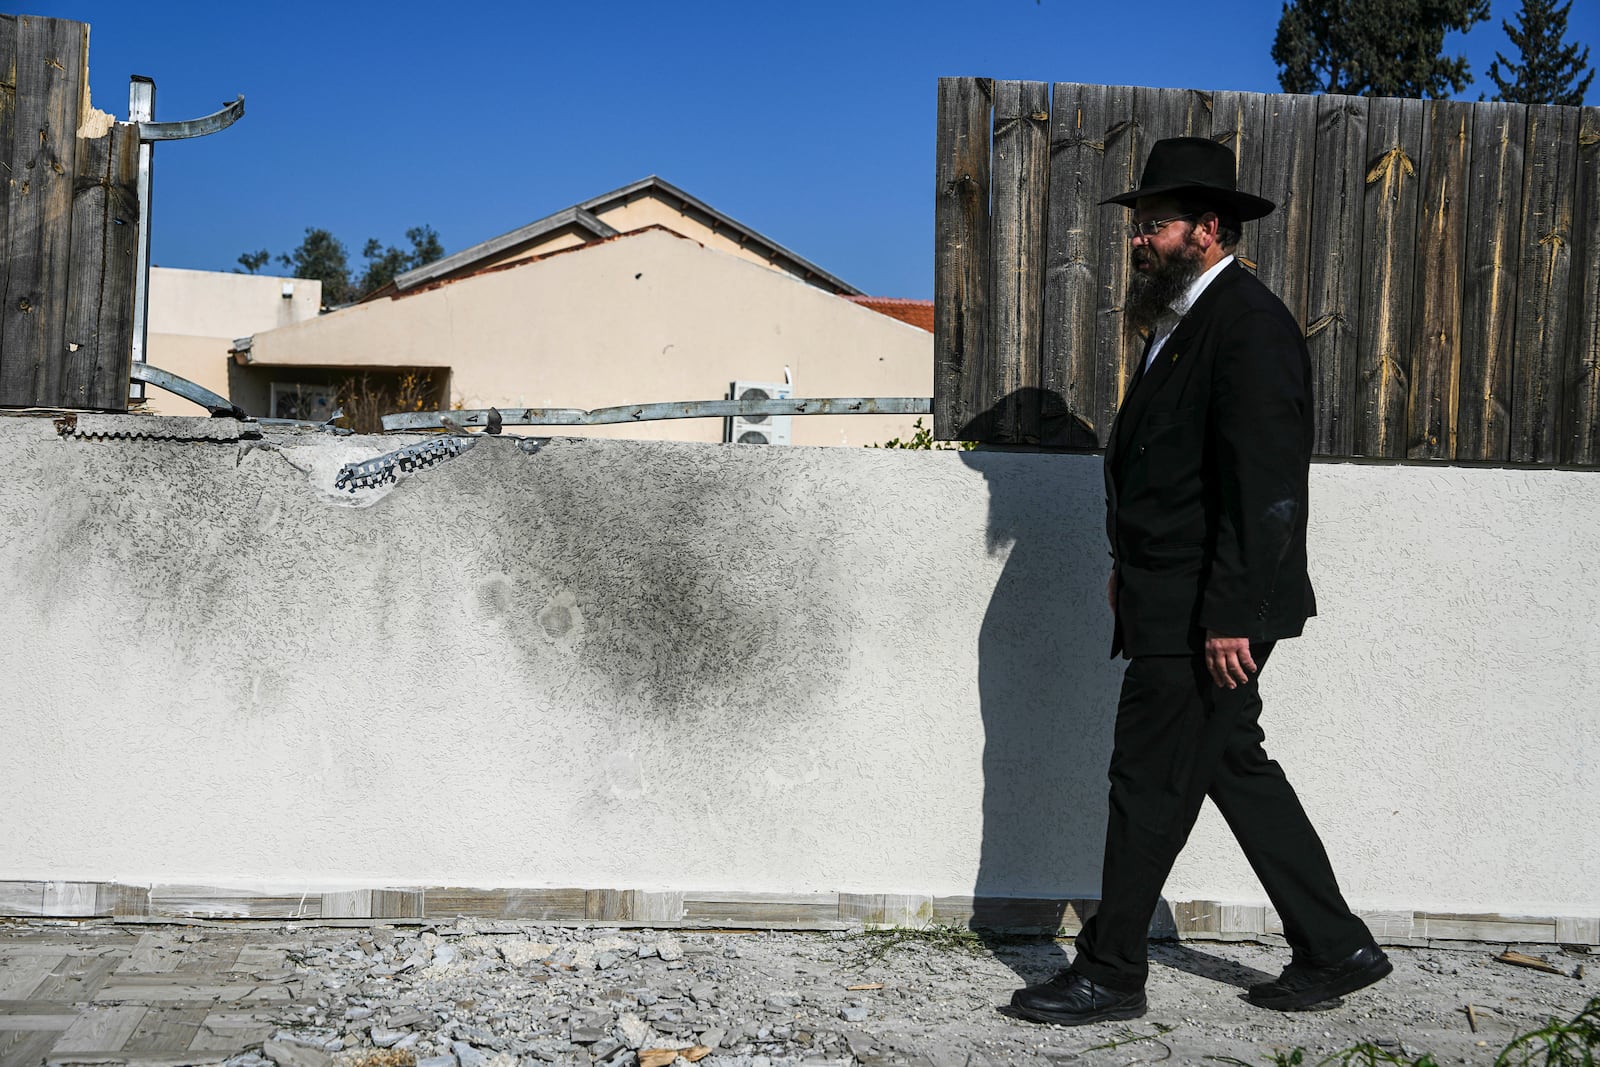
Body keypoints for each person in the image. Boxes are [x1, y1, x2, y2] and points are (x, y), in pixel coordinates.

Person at [1010, 137, 1390, 1025]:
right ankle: (1337, 946)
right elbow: (1167, 471)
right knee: (1231, 763)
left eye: (1156, 225)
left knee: (1145, 778)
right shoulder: (1179, 324)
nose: (1139, 239)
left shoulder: (1248, 326)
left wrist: (1232, 617)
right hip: (1166, 593)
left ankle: (1111, 971)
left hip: (1203, 612)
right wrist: (1123, 566)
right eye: (1138, 225)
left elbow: (1263, 488)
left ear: (1208, 229)